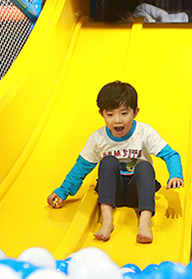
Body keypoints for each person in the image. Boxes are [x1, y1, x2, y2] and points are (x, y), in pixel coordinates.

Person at [47, 81, 184, 244]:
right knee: (108, 162)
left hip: (137, 192)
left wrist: (175, 174)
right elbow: (81, 167)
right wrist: (63, 191)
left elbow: (170, 154)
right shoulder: (98, 138)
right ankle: (107, 220)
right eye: (110, 115)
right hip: (112, 191)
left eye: (124, 113)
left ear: (135, 112)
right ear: (101, 114)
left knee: (144, 166)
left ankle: (145, 221)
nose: (117, 120)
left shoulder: (144, 132)